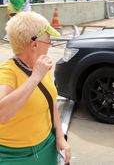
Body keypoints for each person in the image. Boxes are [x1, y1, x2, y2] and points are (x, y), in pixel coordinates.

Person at [0, 12, 71, 164]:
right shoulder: (7, 72)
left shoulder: (41, 66)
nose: (50, 44)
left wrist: (60, 137)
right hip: (13, 155)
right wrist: (35, 77)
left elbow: (52, 105)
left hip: (47, 147)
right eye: (48, 40)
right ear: (34, 44)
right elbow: (2, 114)